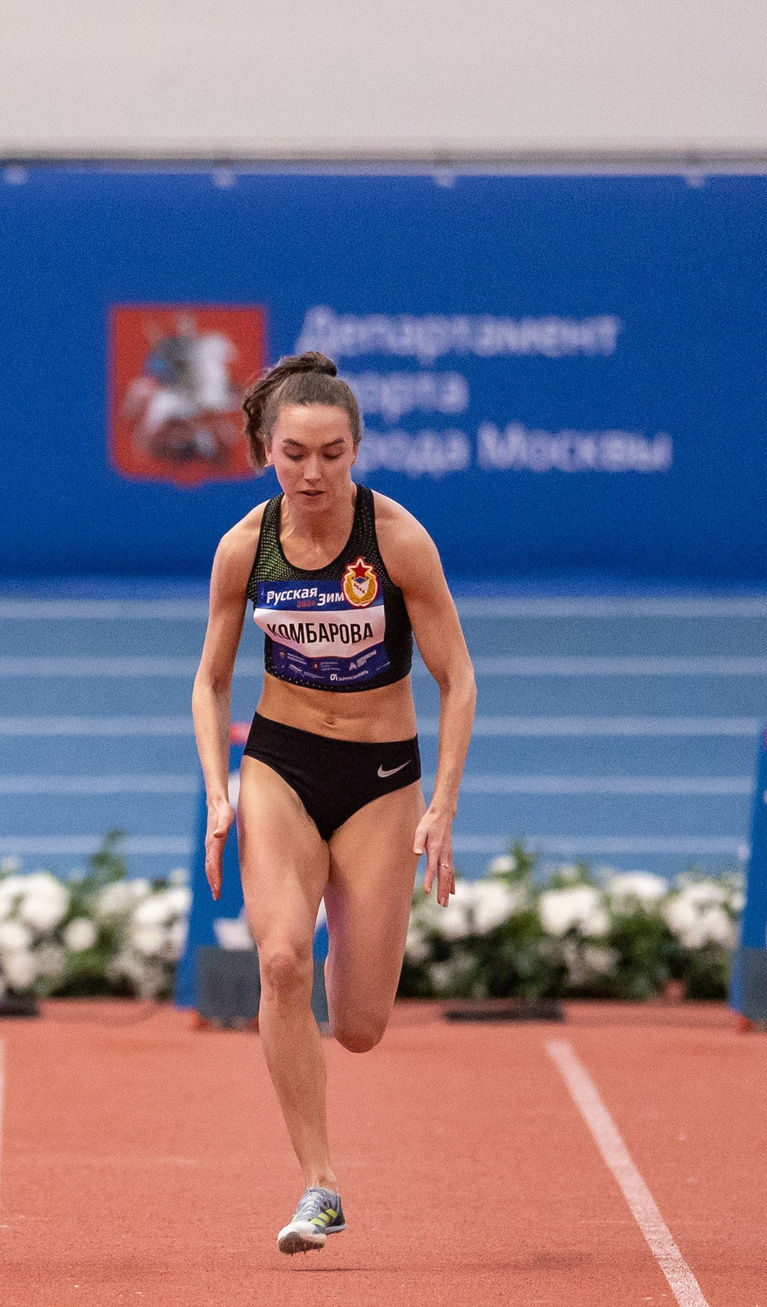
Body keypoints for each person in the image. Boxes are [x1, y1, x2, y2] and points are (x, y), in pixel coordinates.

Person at [190, 353, 478, 1253]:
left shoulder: (397, 542)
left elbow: (459, 680)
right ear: (265, 451)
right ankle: (319, 1183)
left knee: (359, 1026)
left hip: (383, 777)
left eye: (333, 454)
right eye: (295, 454)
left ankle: (330, 975)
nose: (314, 474)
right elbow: (208, 684)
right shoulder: (245, 546)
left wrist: (444, 808)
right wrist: (215, 794)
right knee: (278, 961)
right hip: (279, 762)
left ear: (356, 450)